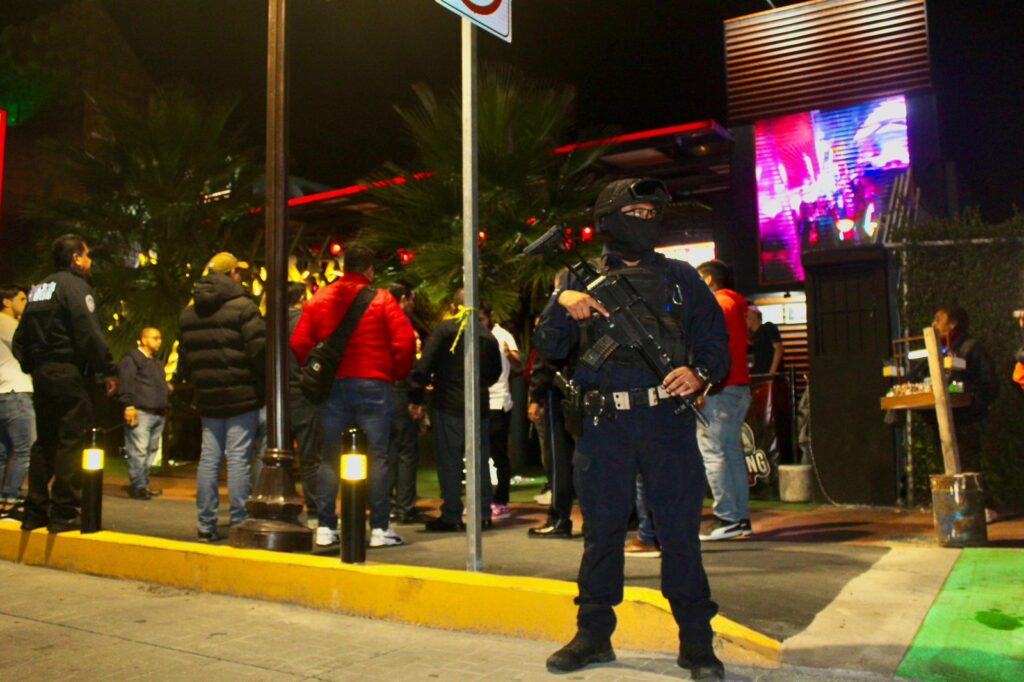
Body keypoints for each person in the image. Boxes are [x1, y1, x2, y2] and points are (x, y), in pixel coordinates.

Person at [536, 178, 730, 678]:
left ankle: (696, 642)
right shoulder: (576, 280)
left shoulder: (681, 278)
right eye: (634, 213)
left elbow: (716, 345)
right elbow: (550, 348)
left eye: (651, 214)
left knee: (679, 535)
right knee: (601, 534)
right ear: (607, 219)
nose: (645, 222)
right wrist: (562, 303)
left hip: (666, 420)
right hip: (603, 424)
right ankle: (593, 637)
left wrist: (699, 374)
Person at [291, 245, 416, 549]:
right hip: (374, 384)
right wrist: (395, 373)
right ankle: (380, 528)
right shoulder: (383, 299)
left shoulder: (320, 298)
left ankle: (325, 526)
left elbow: (299, 342)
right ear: (370, 270)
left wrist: (319, 366)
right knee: (377, 455)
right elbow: (404, 343)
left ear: (345, 267)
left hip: (334, 386)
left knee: (330, 456)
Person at [13, 235, 118, 533]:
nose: (90, 261)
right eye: (87, 255)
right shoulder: (75, 287)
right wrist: (107, 370)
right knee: (71, 439)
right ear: (75, 258)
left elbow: (20, 339)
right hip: (69, 373)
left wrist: (34, 366)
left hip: (42, 375)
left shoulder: (38, 290)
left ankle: (35, 510)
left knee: (44, 441)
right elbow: (88, 333)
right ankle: (63, 511)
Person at [176, 252, 265, 542]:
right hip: (241, 394)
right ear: (231, 274)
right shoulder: (244, 307)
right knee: (238, 458)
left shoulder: (189, 313)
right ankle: (239, 520)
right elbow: (258, 352)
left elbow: (185, 359)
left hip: (207, 396)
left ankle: (206, 524)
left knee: (209, 459)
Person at [408, 290, 502, 532]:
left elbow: (425, 364)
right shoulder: (487, 336)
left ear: (454, 308)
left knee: (449, 461)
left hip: (448, 403)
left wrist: (417, 395)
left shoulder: (444, 331)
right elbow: (495, 373)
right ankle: (483, 513)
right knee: (479, 461)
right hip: (478, 406)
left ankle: (452, 514)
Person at [696, 259, 753, 542]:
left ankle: (728, 517)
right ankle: (739, 518)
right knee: (730, 453)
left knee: (714, 452)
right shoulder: (735, 304)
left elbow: (712, 351)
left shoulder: (718, 305)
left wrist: (702, 386)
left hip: (720, 388)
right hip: (738, 386)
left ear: (708, 279)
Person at [923, 306, 999, 494]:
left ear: (953, 324)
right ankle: (956, 503)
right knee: (949, 467)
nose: (933, 324)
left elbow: (989, 384)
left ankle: (978, 503)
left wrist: (971, 403)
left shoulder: (971, 348)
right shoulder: (937, 350)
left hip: (967, 420)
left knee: (969, 466)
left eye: (938, 319)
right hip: (944, 419)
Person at [480, 305, 522, 520]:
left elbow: (518, 364)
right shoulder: (473, 334)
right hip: (478, 401)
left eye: (482, 318)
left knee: (498, 453)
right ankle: (482, 499)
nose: (479, 322)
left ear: (491, 316)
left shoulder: (503, 335)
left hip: (498, 401)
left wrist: (509, 354)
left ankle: (501, 499)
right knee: (480, 453)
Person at [285, 282, 322, 526]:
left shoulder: (270, 323)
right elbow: (315, 356)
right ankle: (315, 510)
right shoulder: (305, 323)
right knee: (310, 456)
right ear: (301, 298)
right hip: (303, 393)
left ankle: (285, 503)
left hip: (279, 395)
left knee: (281, 455)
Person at [118, 327, 169, 500]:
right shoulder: (132, 359)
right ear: (144, 339)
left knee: (151, 451)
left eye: (159, 338)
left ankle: (143, 484)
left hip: (158, 412)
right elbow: (126, 382)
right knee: (138, 451)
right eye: (155, 338)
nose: (159, 341)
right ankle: (138, 486)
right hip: (141, 411)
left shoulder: (155, 362)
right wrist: (129, 405)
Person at [386, 282, 421, 525]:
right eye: (411, 299)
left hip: (378, 389)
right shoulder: (401, 323)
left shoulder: (377, 320)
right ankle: (405, 507)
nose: (413, 304)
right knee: (406, 450)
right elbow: (408, 363)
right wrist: (416, 396)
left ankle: (385, 504)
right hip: (399, 390)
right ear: (402, 299)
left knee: (386, 450)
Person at [0, 284, 33, 514]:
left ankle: (3, 499)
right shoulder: (8, 324)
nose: (26, 303)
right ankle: (10, 497)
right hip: (16, 392)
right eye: (22, 299)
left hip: (3, 393)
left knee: (2, 452)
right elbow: (31, 347)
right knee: (25, 448)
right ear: (6, 302)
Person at [746, 305, 784, 376]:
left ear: (754, 314)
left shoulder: (767, 327)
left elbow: (779, 348)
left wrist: (771, 374)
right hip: (756, 377)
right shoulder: (750, 338)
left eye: (746, 316)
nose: (744, 320)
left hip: (767, 377)